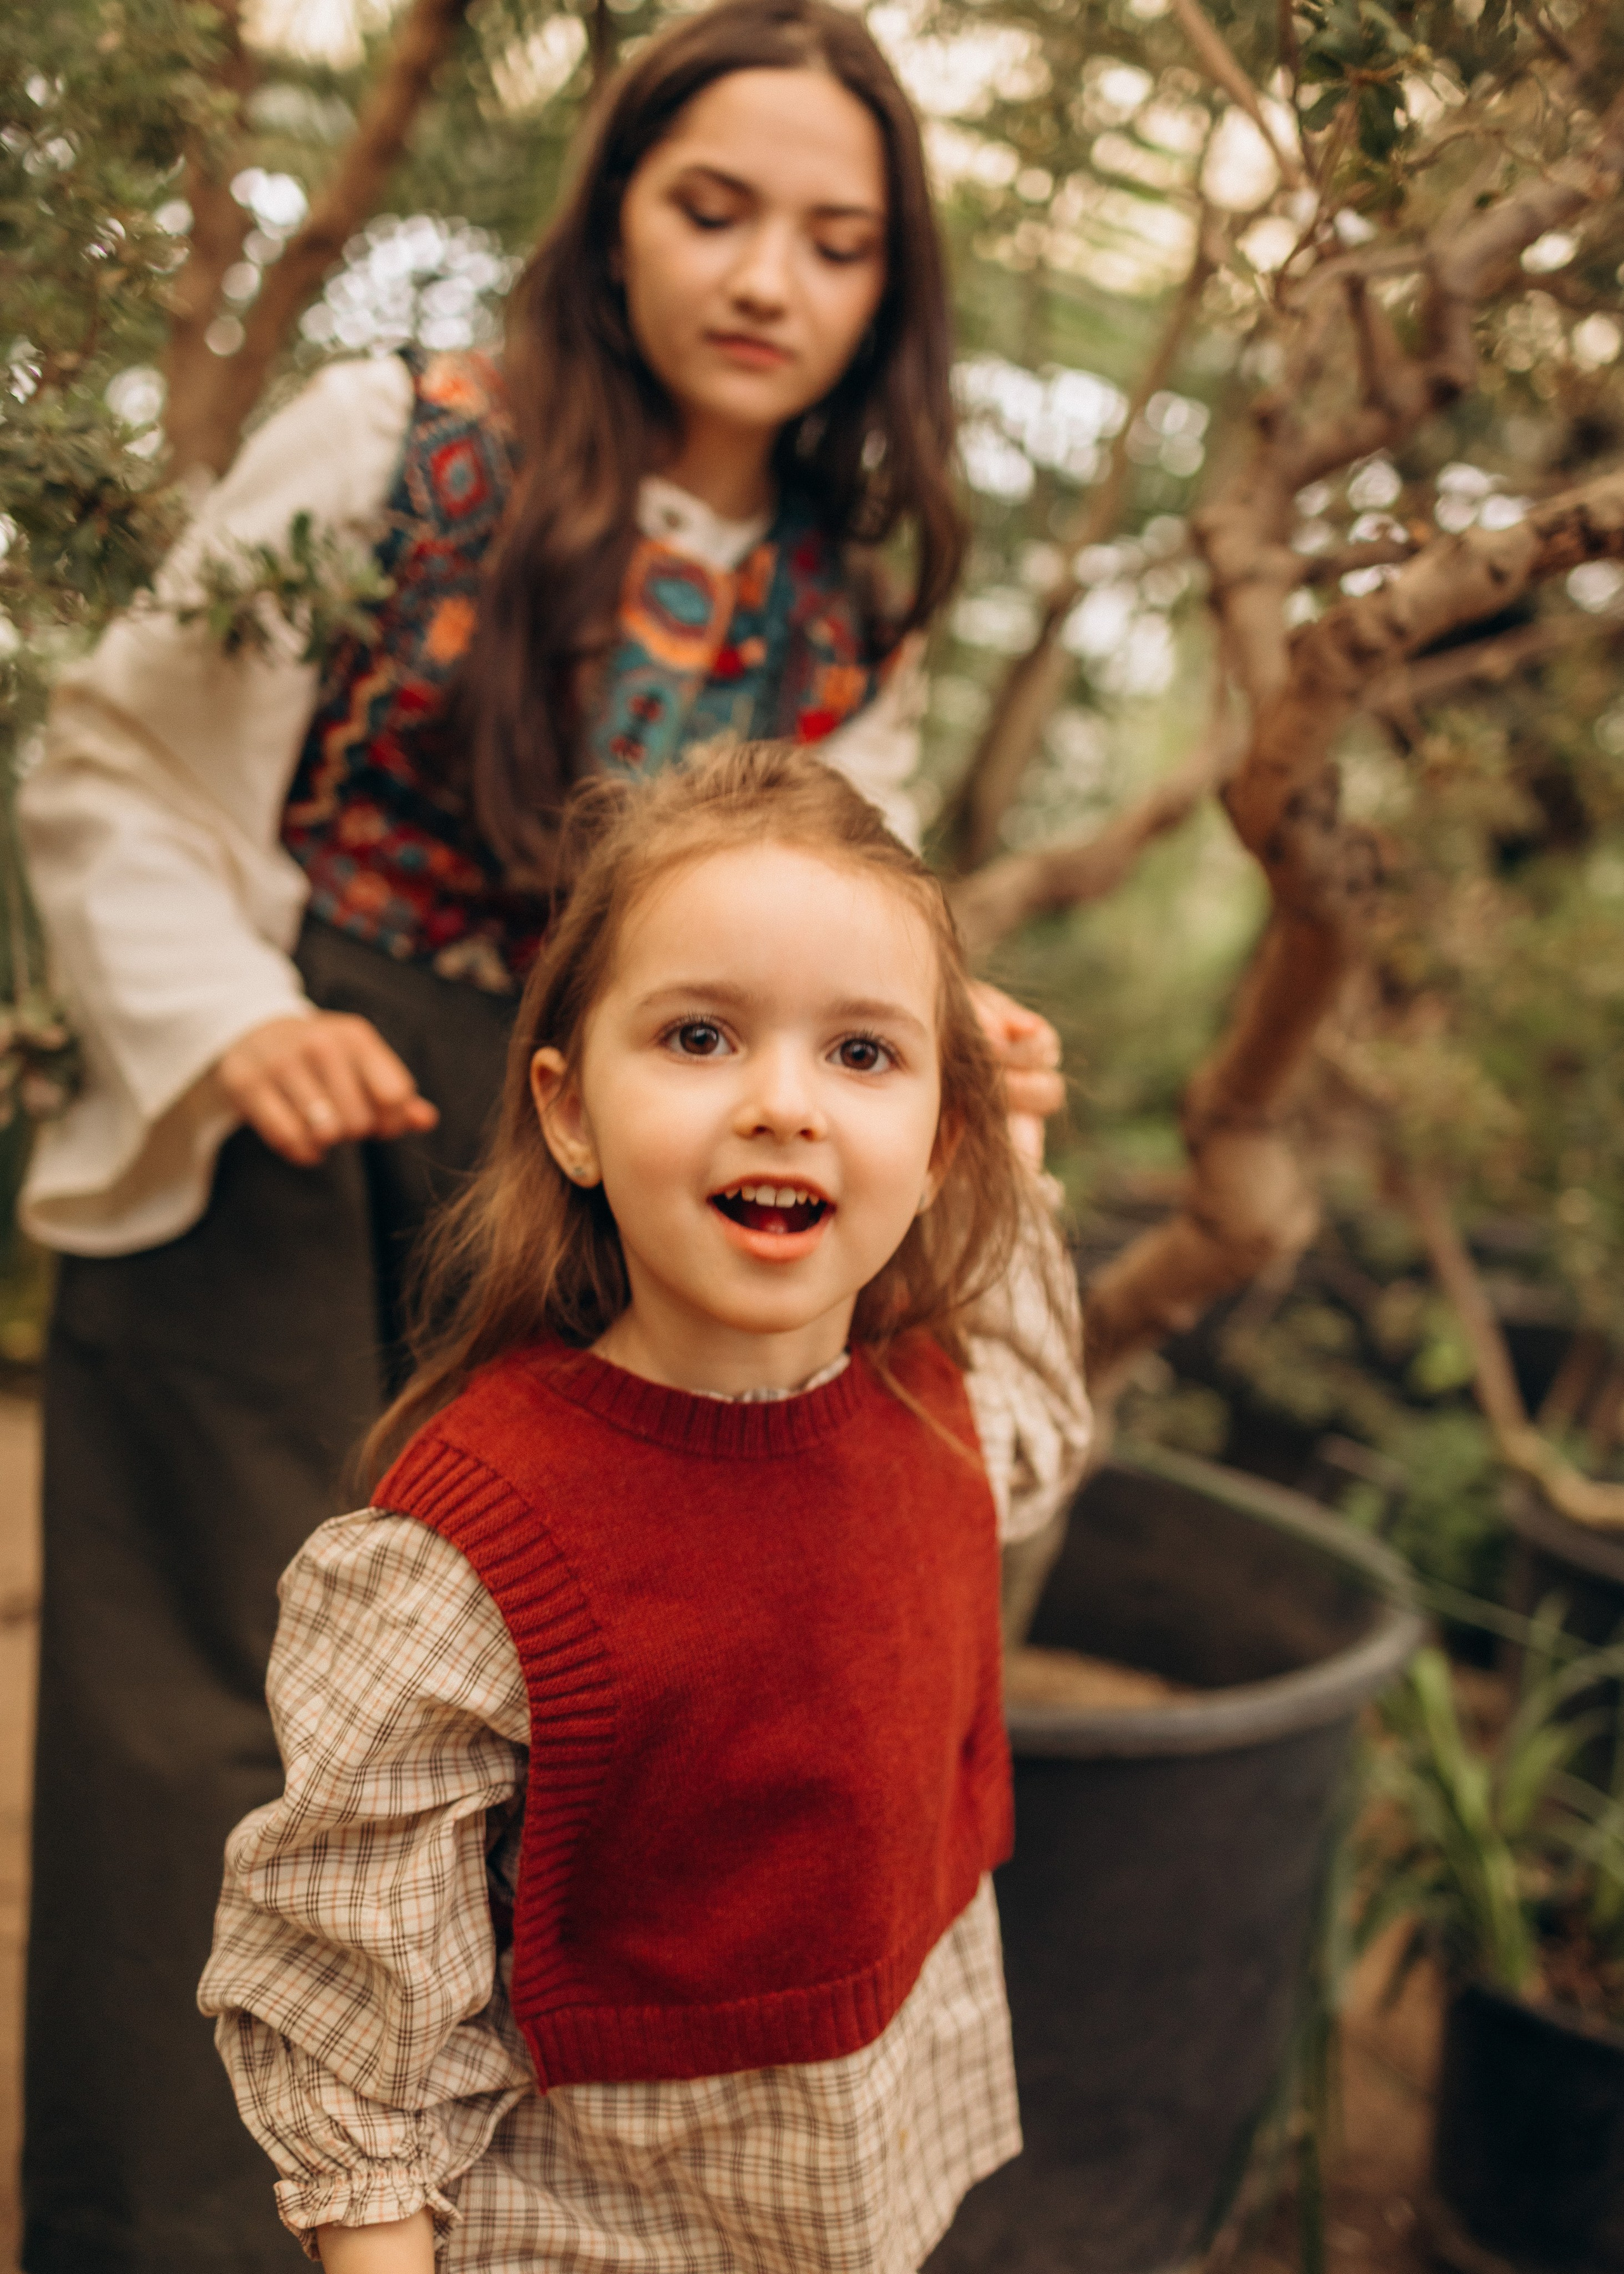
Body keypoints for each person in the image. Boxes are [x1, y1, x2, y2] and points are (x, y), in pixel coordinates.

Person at [17, 5, 1071, 2266]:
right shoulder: (398, 445)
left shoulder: (841, 602)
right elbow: (115, 761)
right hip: (318, 1106)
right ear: (610, 222)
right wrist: (222, 1027)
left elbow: (808, 903)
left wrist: (922, 1033)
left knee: (511, 1742)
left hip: (629, 1164)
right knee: (198, 1729)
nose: (768, 275)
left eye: (836, 237)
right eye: (714, 208)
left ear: (894, 288)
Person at [199, 740, 1092, 2272]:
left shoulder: (935, 1416)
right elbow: (360, 2021)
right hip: (599, 2228)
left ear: (932, 1139)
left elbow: (1035, 1415)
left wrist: (1011, 1145)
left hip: (859, 2197)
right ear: (568, 1113)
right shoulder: (469, 1548)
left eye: (862, 1056)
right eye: (698, 1035)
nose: (783, 1106)